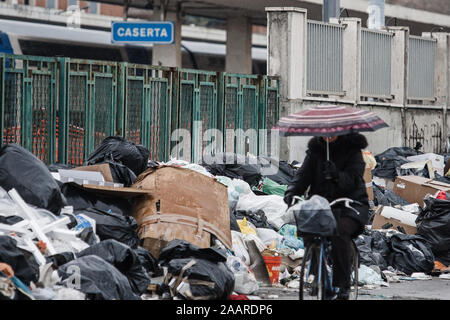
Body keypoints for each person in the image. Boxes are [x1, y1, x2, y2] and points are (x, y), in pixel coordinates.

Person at [284, 132, 370, 300]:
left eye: (332, 134)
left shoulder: (353, 150)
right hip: (322, 205)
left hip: (350, 205)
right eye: (324, 134)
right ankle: (316, 273)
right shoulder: (316, 151)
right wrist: (292, 192)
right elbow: (303, 175)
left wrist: (337, 175)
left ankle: (343, 284)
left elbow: (354, 179)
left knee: (339, 232)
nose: (328, 137)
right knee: (309, 228)